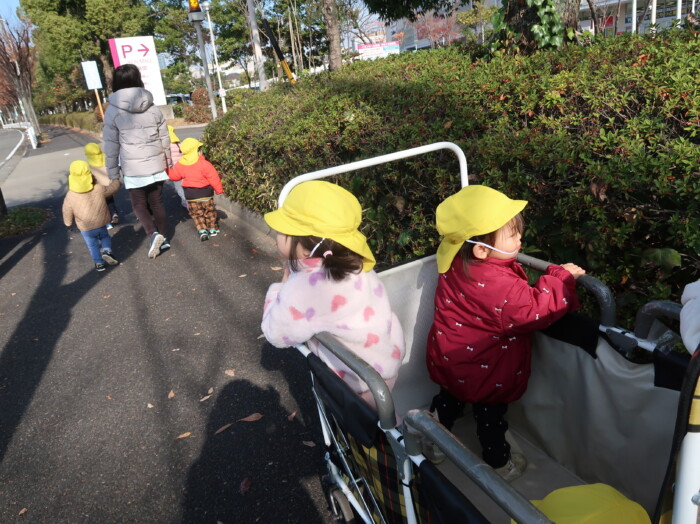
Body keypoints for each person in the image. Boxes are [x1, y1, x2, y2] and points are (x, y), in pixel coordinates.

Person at [426, 185, 585, 480]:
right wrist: (561, 276)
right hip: (487, 370)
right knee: (490, 419)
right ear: (482, 249)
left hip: (450, 357)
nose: (520, 238)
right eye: (512, 234)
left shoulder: (454, 258)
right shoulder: (500, 285)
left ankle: (433, 441)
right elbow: (537, 309)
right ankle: (500, 464)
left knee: (448, 401)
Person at [260, 181, 405, 405]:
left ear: (307, 245)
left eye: (282, 231)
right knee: (383, 419)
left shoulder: (303, 288)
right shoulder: (358, 265)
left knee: (368, 425)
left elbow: (275, 334)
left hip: (354, 383)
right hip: (387, 366)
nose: (276, 235)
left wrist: (280, 286)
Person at [102, 63, 172, 259]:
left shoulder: (112, 110)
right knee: (157, 202)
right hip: (156, 164)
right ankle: (164, 238)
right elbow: (164, 136)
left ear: (116, 83)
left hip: (133, 167)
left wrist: (113, 173)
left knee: (139, 204)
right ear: (138, 79)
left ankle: (153, 233)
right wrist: (167, 160)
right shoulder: (152, 106)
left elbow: (111, 145)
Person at [62, 160, 121, 272]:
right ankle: (107, 250)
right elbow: (112, 189)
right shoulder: (98, 188)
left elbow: (66, 210)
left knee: (92, 245)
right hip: (100, 222)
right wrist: (116, 180)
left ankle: (99, 264)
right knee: (105, 237)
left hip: (85, 227)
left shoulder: (70, 195)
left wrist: (68, 222)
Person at [167, 138, 223, 241]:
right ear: (197, 151)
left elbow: (175, 176)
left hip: (191, 195)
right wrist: (219, 190)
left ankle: (202, 230)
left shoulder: (180, 165)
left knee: (197, 214)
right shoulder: (205, 164)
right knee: (210, 211)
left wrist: (167, 170)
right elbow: (213, 178)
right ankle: (212, 229)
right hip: (206, 194)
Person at [84, 142, 120, 230]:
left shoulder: (89, 164)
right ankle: (114, 213)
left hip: (98, 189)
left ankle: (107, 223)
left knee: (102, 206)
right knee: (110, 201)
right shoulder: (104, 158)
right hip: (109, 185)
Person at [166, 125, 188, 209]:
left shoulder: (166, 145)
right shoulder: (178, 143)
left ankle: (186, 201)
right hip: (183, 167)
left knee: (178, 187)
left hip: (174, 170)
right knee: (185, 185)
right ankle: (186, 200)